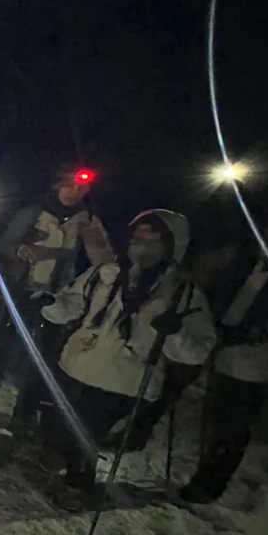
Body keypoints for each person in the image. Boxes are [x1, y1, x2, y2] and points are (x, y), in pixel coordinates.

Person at [40, 209, 216, 510]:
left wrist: (173, 333)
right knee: (55, 428)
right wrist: (48, 304)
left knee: (86, 429)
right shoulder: (105, 273)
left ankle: (78, 482)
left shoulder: (182, 293)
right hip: (79, 363)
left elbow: (198, 349)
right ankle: (74, 468)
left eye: (153, 239)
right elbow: (72, 303)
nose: (142, 245)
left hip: (128, 376)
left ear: (172, 245)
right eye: (138, 236)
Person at [0, 168, 114, 439]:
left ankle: (23, 413)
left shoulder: (86, 221)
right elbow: (4, 244)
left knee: (44, 358)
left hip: (57, 297)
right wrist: (19, 250)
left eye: (80, 189)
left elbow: (104, 261)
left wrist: (94, 237)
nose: (73, 193)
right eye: (68, 186)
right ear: (56, 186)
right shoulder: (33, 212)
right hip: (24, 288)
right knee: (4, 339)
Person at [180, 221, 268, 503]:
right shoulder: (246, 262)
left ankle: (210, 484)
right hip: (224, 350)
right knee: (217, 418)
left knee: (233, 426)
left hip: (255, 362)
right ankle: (205, 475)